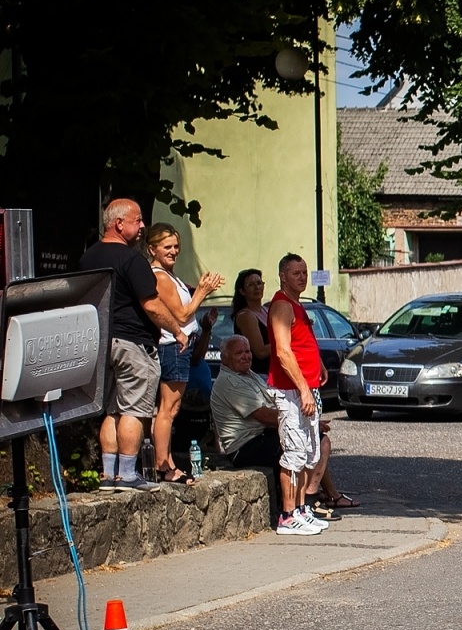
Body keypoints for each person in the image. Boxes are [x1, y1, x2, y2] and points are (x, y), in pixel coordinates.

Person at [79, 199, 191, 491]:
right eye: (137, 220)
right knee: (133, 410)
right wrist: (177, 331)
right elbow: (151, 304)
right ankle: (127, 474)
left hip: (101, 342)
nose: (142, 226)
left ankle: (107, 474)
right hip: (133, 343)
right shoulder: (132, 260)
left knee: (111, 410)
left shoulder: (87, 258)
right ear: (119, 224)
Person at [211, 335, 345, 522]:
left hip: (264, 434)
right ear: (224, 358)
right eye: (239, 353)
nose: (245, 356)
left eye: (248, 351)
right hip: (245, 446)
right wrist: (302, 421)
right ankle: (304, 504)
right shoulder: (229, 381)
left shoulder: (249, 375)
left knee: (316, 440)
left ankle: (309, 500)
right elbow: (264, 415)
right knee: (304, 444)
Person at [146, 223, 224, 484]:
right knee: (168, 408)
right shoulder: (159, 276)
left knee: (172, 408)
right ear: (152, 249)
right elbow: (181, 314)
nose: (173, 251)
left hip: (180, 345)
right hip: (172, 345)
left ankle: (166, 461)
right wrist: (202, 291)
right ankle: (163, 464)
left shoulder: (170, 275)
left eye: (176, 246)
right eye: (167, 246)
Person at [265, 254, 328, 536]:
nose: (301, 277)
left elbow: (303, 344)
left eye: (304, 273)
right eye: (295, 273)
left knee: (307, 452)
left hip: (306, 387)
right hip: (290, 390)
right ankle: (288, 515)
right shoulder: (281, 305)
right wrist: (303, 388)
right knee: (293, 451)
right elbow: (282, 351)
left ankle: (302, 509)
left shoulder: (297, 306)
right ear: (283, 276)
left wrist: (318, 367)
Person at [231, 268, 272, 375]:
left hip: (273, 372)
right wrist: (287, 343)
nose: (257, 287)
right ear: (242, 291)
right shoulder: (246, 316)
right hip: (258, 374)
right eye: (251, 285)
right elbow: (260, 352)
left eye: (259, 283)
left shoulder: (266, 310)